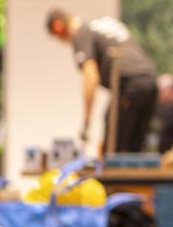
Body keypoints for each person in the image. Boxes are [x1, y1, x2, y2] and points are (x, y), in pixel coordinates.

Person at [46, 8, 157, 153]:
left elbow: (90, 76)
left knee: (113, 146)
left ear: (58, 26)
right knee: (134, 147)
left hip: (128, 84)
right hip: (150, 80)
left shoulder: (81, 33)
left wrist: (86, 122)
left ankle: (113, 172)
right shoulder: (99, 27)